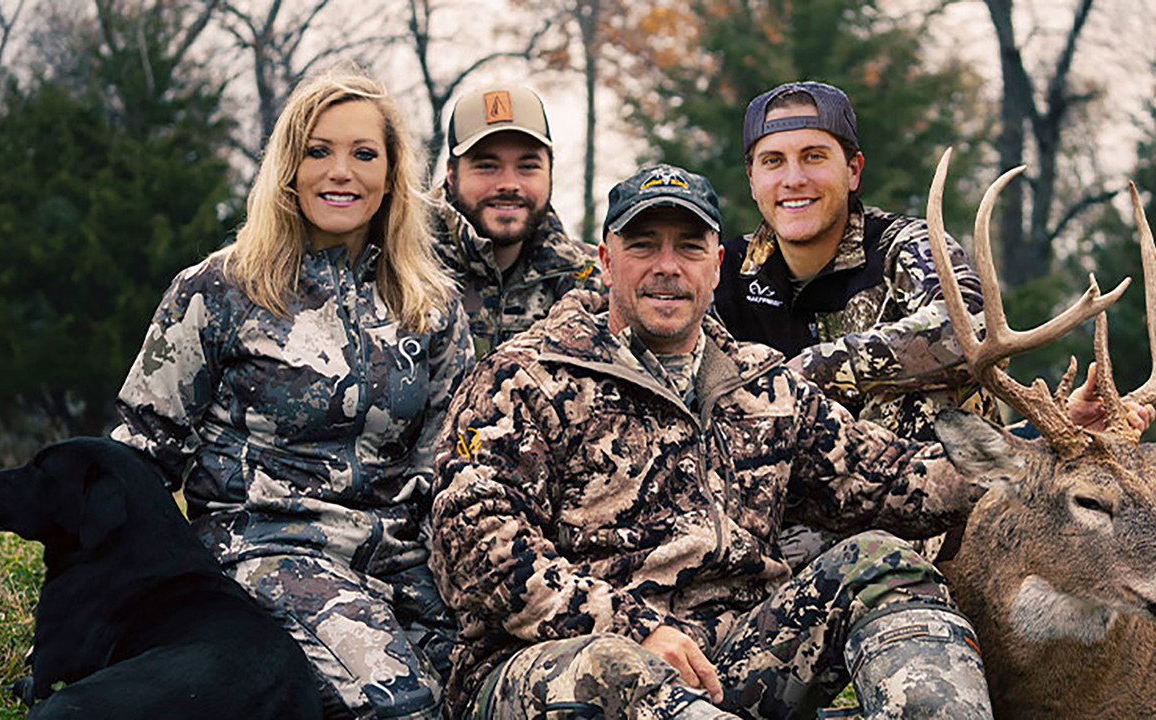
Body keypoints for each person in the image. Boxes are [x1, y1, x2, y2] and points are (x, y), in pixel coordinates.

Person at [428, 163, 998, 720]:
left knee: (878, 564)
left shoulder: (762, 385)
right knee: (611, 666)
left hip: (726, 662)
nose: (668, 267)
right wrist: (632, 627)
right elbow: (475, 542)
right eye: (644, 246)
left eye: (690, 247)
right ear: (605, 260)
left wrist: (1029, 461)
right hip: (560, 667)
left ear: (717, 264)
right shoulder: (525, 377)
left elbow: (895, 480)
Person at [112, 68, 472, 720]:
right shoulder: (219, 291)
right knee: (402, 703)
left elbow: (449, 464)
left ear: (392, 174)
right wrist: (102, 611)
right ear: (287, 167)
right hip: (265, 549)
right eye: (318, 151)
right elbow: (136, 462)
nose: (341, 172)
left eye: (364, 154)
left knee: (478, 689)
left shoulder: (432, 307)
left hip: (399, 561)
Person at [713, 81, 999, 442]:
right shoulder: (721, 268)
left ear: (853, 171)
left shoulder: (906, 246)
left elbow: (972, 330)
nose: (794, 179)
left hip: (912, 471)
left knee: (932, 392)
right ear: (752, 181)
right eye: (773, 161)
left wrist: (811, 369)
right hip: (775, 469)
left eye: (814, 157)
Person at [433, 83, 603, 359]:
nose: (509, 184)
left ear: (550, 171)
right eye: (487, 166)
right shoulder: (401, 271)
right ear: (451, 174)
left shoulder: (593, 279)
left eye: (527, 167)